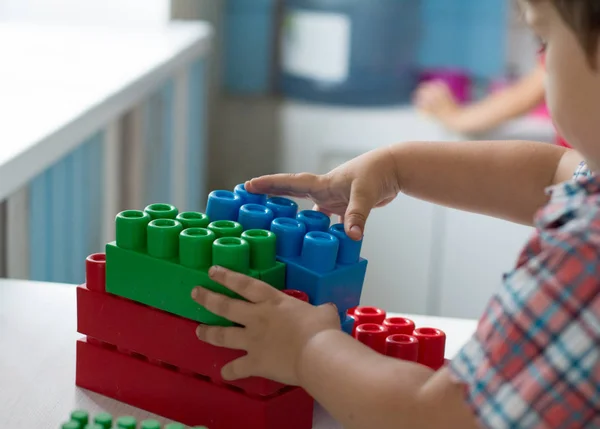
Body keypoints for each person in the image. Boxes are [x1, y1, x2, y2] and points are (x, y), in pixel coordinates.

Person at [190, 1, 599, 427]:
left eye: (544, 41)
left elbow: (439, 417)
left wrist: (306, 348)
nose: (542, 65)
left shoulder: (587, 257)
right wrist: (396, 166)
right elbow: (552, 173)